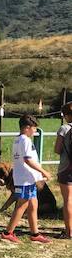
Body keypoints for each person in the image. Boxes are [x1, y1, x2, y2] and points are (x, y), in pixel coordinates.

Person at [1, 115, 52, 243]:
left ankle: (35, 233)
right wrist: (43, 171)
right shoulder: (25, 140)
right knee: (22, 205)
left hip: (27, 178)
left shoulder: (18, 139)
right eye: (34, 128)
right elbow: (28, 160)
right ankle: (8, 232)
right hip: (25, 178)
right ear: (27, 128)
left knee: (33, 204)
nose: (35, 131)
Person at [55, 102, 72, 239]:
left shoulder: (64, 128)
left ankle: (69, 232)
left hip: (66, 168)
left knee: (68, 200)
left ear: (66, 115)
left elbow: (57, 149)